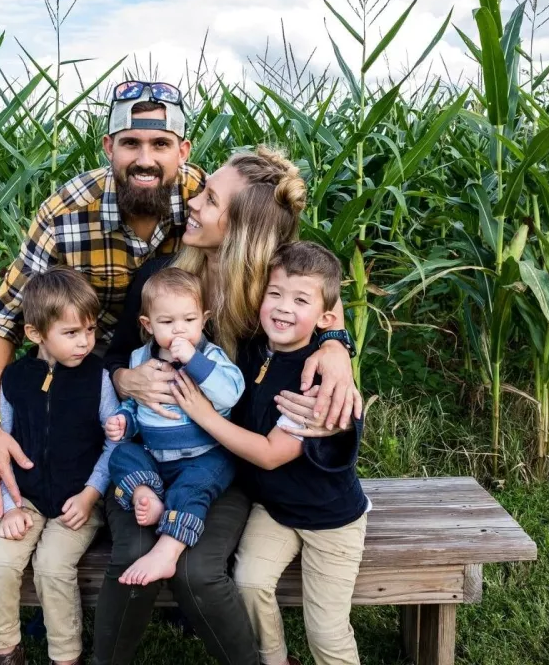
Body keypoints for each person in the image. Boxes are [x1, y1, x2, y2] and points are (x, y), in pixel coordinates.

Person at [95, 147, 361, 665]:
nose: (193, 202)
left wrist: (336, 346)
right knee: (133, 543)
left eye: (211, 199)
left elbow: (322, 299)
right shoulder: (165, 279)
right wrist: (127, 379)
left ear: (240, 230)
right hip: (155, 449)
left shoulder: (269, 292)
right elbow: (113, 355)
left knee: (204, 566)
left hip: (226, 463)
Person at [0, 81, 205, 519]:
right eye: (130, 143)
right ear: (108, 147)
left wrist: (332, 342)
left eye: (161, 143)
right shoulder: (66, 211)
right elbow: (1, 320)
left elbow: (288, 265)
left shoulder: (206, 201)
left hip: (180, 368)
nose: (145, 159)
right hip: (87, 376)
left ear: (183, 150)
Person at [172, 241, 369, 665]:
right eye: (275, 294)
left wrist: (203, 415)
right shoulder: (250, 350)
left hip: (329, 518)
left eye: (301, 300)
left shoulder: (315, 377)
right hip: (275, 508)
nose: (282, 308)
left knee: (326, 630)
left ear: (326, 318)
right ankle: (275, 659)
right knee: (249, 582)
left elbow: (268, 453)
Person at [0, 268, 122, 665]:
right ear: (36, 334)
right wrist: (8, 508)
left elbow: (115, 443)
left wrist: (91, 493)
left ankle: (66, 656)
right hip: (25, 499)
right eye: (72, 333)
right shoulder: (13, 380)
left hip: (78, 501)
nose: (85, 342)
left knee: (53, 567)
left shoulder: (98, 378)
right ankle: (6, 650)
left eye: (90, 331)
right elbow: (1, 448)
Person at [105, 268, 244, 585]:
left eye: (189, 320)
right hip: (156, 455)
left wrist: (193, 360)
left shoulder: (210, 356)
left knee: (193, 486)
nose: (179, 330)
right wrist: (123, 421)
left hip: (204, 454)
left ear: (204, 320)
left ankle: (168, 550)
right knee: (122, 454)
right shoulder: (140, 356)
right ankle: (146, 493)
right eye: (167, 323)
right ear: (147, 324)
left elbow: (231, 393)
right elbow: (134, 403)